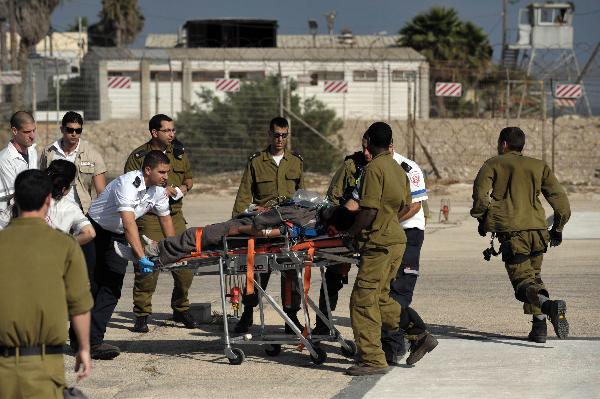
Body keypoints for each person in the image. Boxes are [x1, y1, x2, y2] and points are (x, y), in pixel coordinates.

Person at [471, 127, 571, 343]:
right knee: (534, 277)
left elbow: (480, 197)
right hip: (538, 230)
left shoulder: (493, 164)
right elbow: (562, 204)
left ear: (504, 144)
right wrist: (558, 229)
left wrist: (482, 219)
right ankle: (539, 327)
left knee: (523, 284)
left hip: (513, 234)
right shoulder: (539, 166)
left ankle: (549, 306)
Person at [0, 169, 93, 398]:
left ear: (16, 200)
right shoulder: (65, 245)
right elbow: (79, 305)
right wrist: (84, 348)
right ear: (48, 200)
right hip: (44, 365)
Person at [79, 150, 176, 360]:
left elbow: (166, 221)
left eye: (167, 172)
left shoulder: (158, 191)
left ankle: (93, 342)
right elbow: (129, 220)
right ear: (147, 170)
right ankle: (79, 337)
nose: (165, 177)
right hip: (95, 231)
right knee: (92, 286)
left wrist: (175, 250)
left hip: (120, 234)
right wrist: (140, 257)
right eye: (162, 172)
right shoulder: (128, 183)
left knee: (112, 287)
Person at [232, 116, 305, 334]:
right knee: (255, 271)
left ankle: (291, 318)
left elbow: (302, 196)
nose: (280, 139)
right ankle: (247, 314)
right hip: (263, 227)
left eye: (284, 135)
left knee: (291, 273)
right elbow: (243, 195)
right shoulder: (256, 162)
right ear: (269, 134)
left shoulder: (296, 161)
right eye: (276, 135)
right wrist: (237, 224)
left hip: (287, 229)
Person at [124, 114, 196, 333]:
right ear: (155, 133)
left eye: (173, 130)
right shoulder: (138, 157)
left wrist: (181, 190)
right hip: (149, 216)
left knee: (185, 265)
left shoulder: (179, 154)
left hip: (174, 215)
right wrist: (156, 191)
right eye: (167, 131)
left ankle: (181, 308)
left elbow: (189, 180)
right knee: (148, 267)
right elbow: (131, 188)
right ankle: (142, 314)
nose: (172, 134)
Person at [312, 137, 368, 335]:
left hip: (371, 232)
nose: (367, 151)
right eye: (364, 147)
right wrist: (335, 222)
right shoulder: (351, 166)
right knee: (333, 276)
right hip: (346, 230)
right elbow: (332, 198)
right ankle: (323, 323)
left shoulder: (389, 166)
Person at [38, 111, 107, 214]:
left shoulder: (93, 155)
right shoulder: (49, 152)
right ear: (62, 129)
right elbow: (42, 182)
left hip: (80, 212)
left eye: (78, 130)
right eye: (70, 130)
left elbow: (102, 193)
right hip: (52, 212)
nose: (74, 134)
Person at [390, 143, 428, 309]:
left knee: (401, 287)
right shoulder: (370, 167)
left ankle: (413, 331)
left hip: (409, 230)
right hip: (386, 233)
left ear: (391, 146)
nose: (366, 153)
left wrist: (387, 222)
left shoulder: (408, 168)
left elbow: (415, 206)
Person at [0, 111, 38, 212]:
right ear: (14, 131)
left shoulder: (33, 151)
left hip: (31, 211)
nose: (32, 136)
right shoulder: (4, 159)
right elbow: (16, 194)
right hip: (9, 217)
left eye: (34, 130)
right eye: (27, 132)